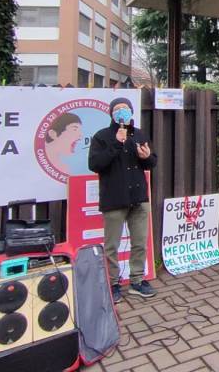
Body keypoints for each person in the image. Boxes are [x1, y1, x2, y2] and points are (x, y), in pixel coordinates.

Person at [88, 97, 158, 304]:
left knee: (139, 242)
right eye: (117, 109)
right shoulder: (102, 137)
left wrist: (147, 157)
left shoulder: (139, 134)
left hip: (138, 197)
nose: (121, 112)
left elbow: (151, 163)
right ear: (111, 114)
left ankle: (137, 280)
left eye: (125, 109)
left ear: (131, 112)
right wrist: (116, 145)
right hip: (114, 198)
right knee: (112, 245)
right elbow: (95, 164)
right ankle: (113, 283)